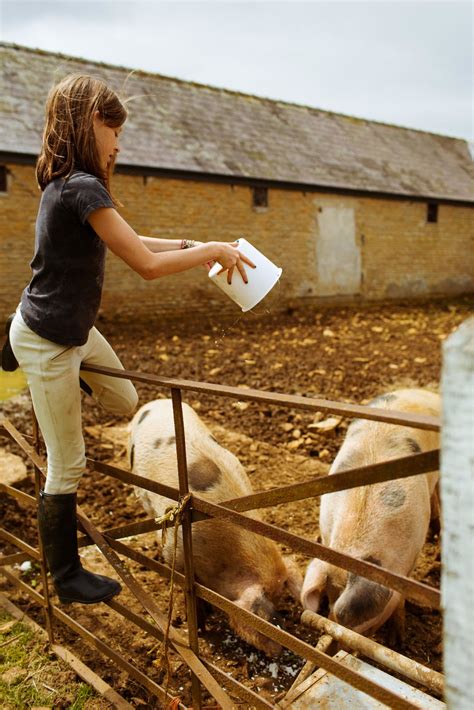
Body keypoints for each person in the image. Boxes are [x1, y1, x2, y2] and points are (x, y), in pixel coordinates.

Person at [8, 73, 254, 606]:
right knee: (66, 462)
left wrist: (197, 244)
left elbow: (133, 239)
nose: (119, 142)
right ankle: (66, 575)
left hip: (72, 330)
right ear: (86, 124)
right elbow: (144, 265)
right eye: (113, 129)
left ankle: (21, 345)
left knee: (125, 398)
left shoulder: (66, 184)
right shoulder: (81, 185)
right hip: (51, 339)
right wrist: (209, 249)